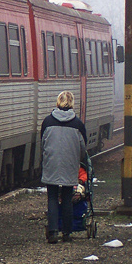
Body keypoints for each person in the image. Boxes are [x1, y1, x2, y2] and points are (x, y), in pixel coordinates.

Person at [41, 91, 88, 243]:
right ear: (72, 103)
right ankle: (67, 233)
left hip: (52, 164)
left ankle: (53, 231)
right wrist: (77, 161)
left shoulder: (47, 122)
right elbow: (82, 148)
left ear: (58, 102)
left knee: (53, 198)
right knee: (67, 198)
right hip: (70, 165)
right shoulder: (78, 124)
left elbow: (43, 143)